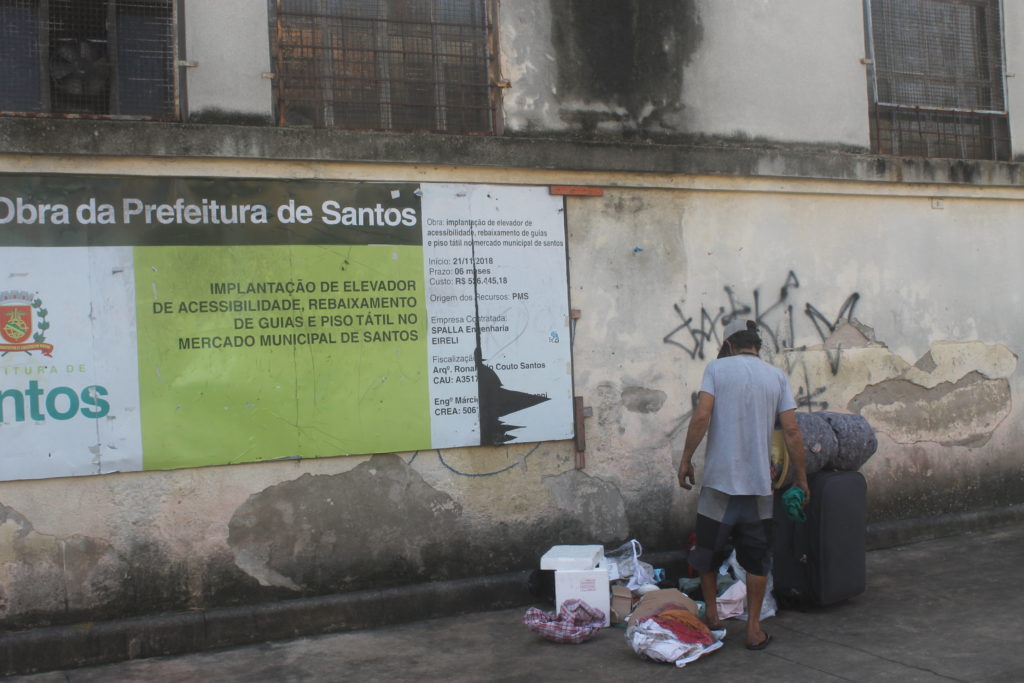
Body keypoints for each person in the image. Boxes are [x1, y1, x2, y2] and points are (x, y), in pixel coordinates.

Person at [677, 318, 808, 651]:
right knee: (758, 558)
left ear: (729, 345)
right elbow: (792, 431)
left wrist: (686, 458)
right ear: (756, 346)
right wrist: (801, 478)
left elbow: (702, 416)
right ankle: (753, 630)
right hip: (759, 487)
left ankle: (714, 619)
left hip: (720, 483)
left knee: (707, 552)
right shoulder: (776, 376)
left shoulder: (717, 370)